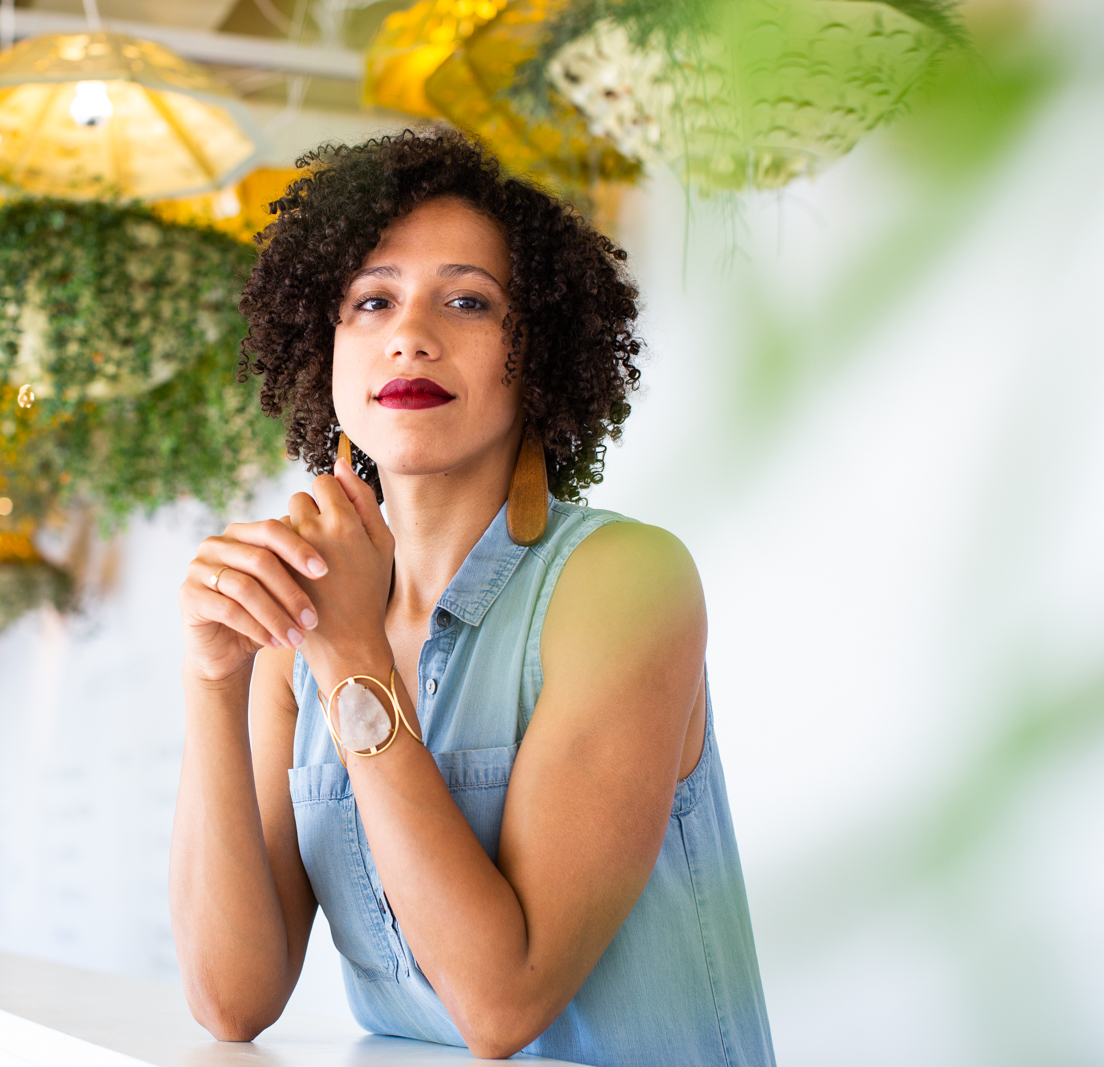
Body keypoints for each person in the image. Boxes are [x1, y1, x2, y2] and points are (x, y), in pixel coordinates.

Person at [170, 129, 775, 1066]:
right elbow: (230, 997)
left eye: (467, 300)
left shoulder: (623, 581)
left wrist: (351, 658)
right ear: (324, 353)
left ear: (536, 356)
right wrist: (214, 679)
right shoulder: (300, 627)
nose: (410, 332)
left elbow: (503, 1004)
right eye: (372, 300)